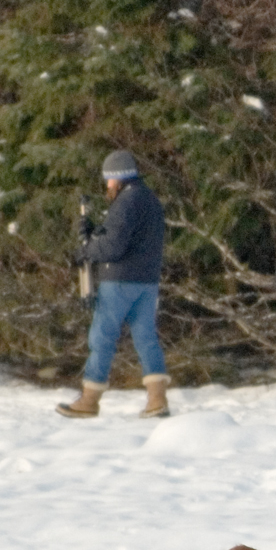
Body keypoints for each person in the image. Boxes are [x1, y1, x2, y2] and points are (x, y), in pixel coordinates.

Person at [57, 149, 170, 419]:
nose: (107, 186)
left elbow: (114, 247)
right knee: (146, 338)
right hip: (147, 282)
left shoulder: (126, 201)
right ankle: (158, 399)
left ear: (118, 178)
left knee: (102, 337)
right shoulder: (150, 200)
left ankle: (89, 400)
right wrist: (97, 234)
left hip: (119, 281)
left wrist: (86, 251)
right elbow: (127, 237)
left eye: (108, 180)